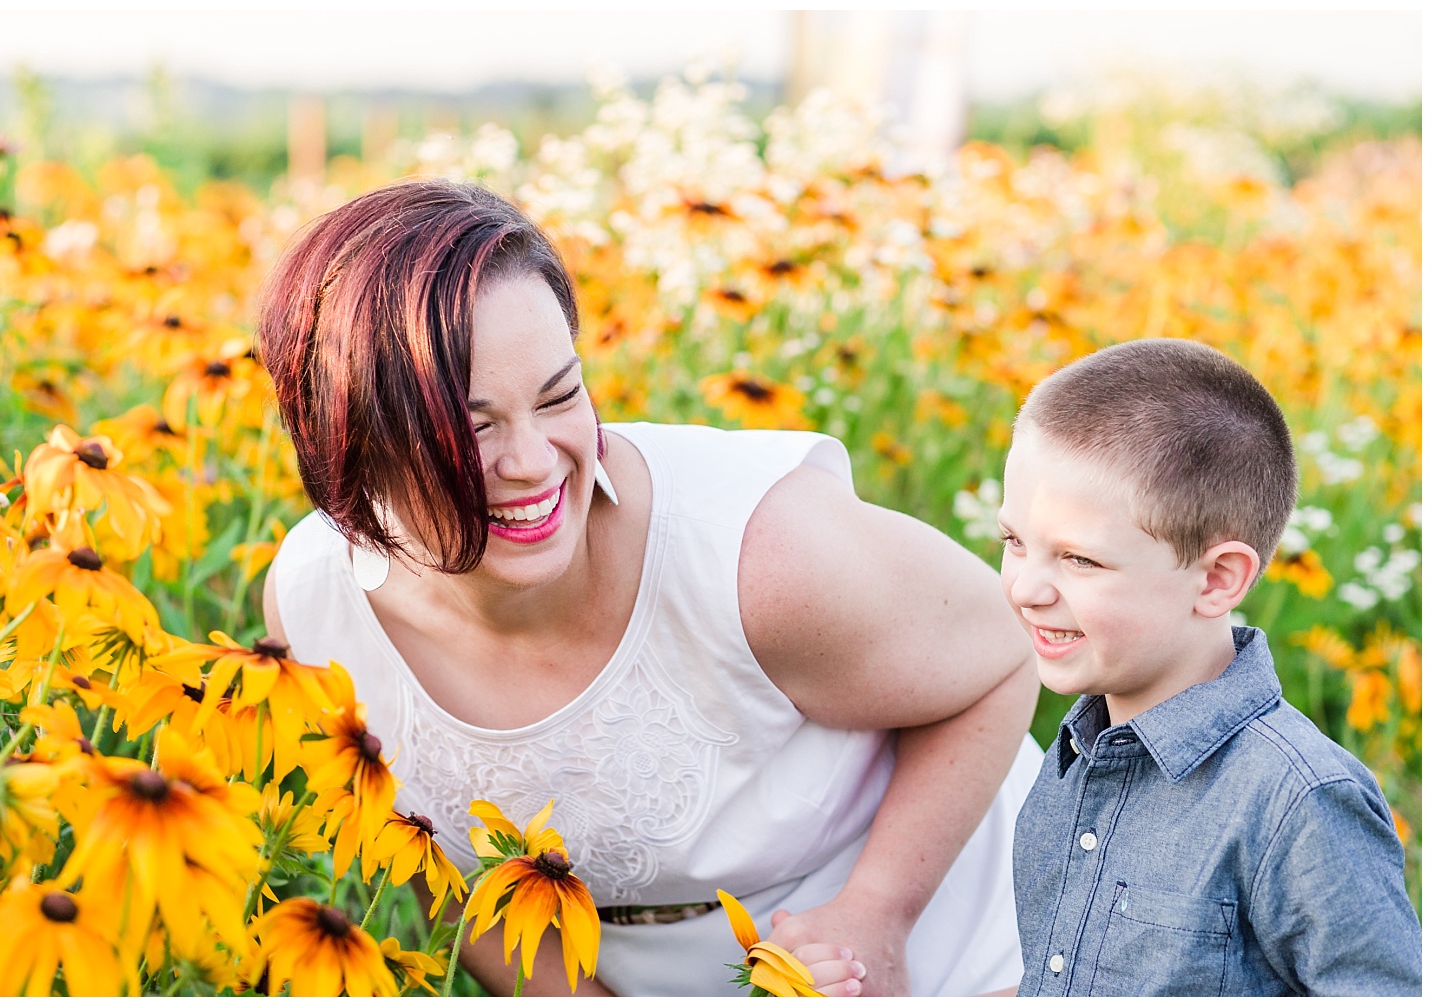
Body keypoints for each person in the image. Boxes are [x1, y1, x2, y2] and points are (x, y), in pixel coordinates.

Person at [256, 178, 1044, 996]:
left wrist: (880, 911)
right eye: (471, 425)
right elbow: (428, 869)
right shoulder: (315, 610)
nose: (532, 462)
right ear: (349, 434)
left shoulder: (757, 553)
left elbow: (999, 655)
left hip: (935, 940)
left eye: (559, 396)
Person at [996, 339, 1422, 996]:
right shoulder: (1074, 756)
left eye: (1079, 560)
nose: (1026, 586)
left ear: (1219, 578)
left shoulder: (1298, 799)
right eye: (1015, 541)